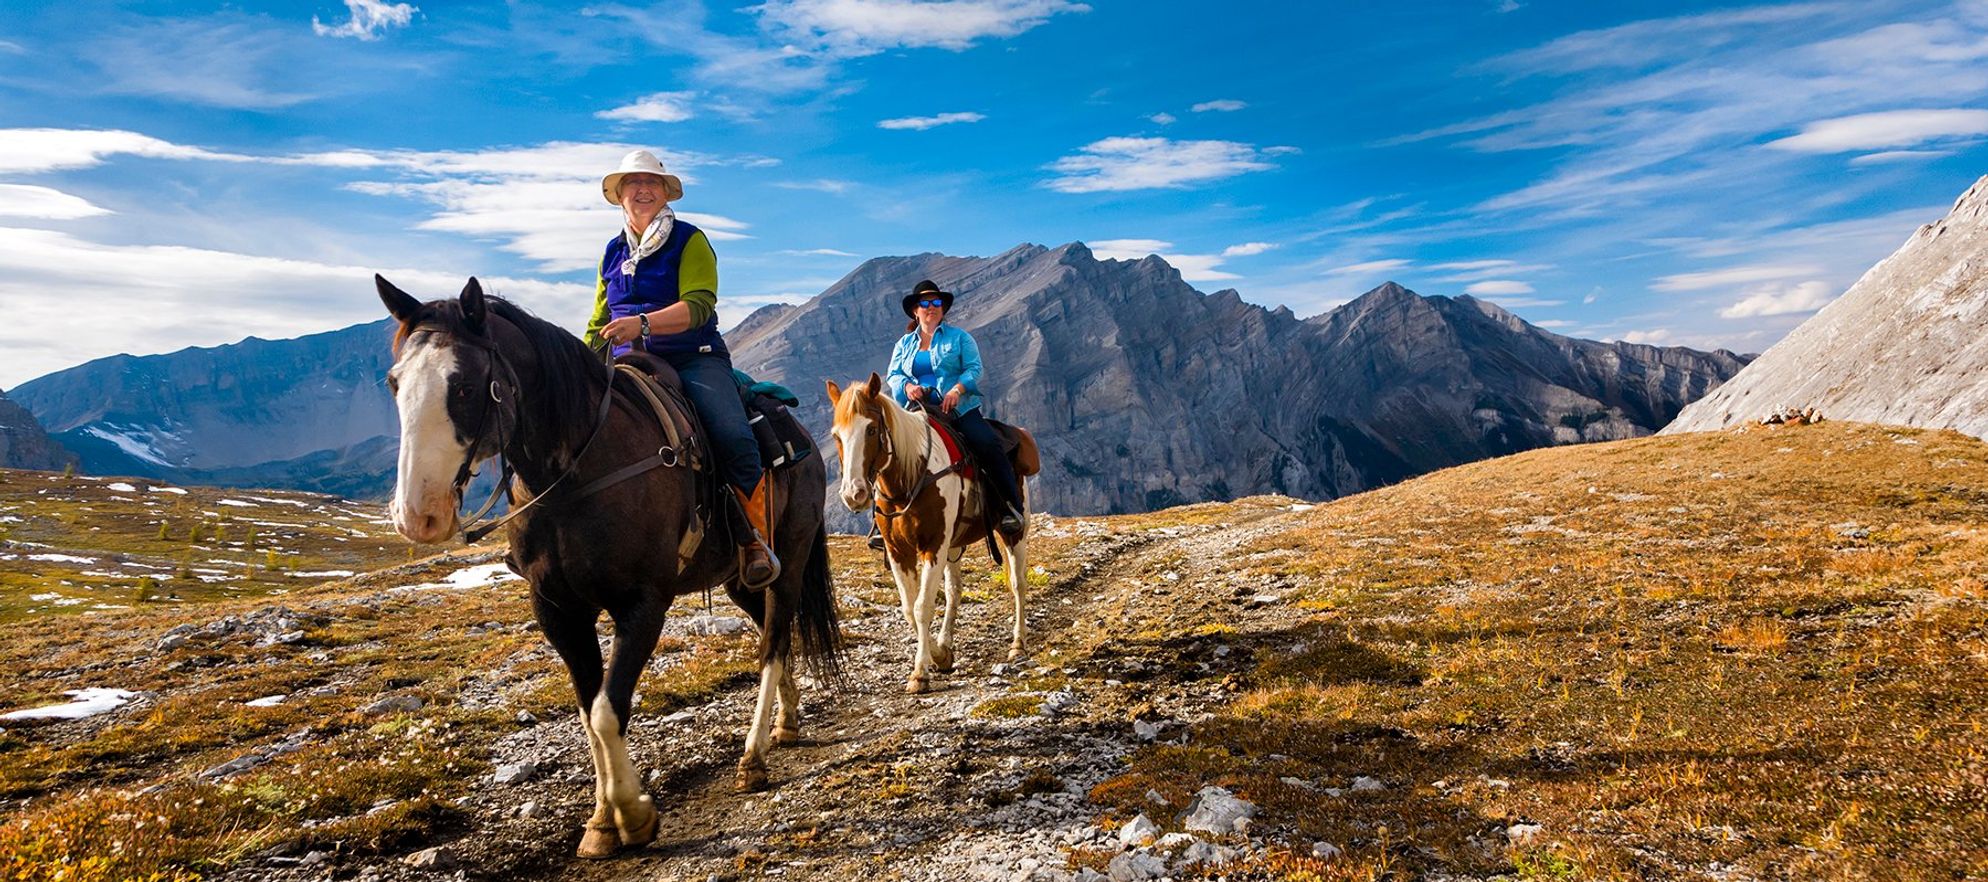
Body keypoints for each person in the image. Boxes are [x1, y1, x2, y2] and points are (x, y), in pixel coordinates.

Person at [583, 149, 778, 588]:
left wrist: (644, 323)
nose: (643, 190)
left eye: (652, 183)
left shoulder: (690, 240)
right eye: (633, 183)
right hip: (628, 361)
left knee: (732, 434)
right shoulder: (612, 253)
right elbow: (599, 321)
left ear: (665, 192)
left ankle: (754, 541)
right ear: (620, 196)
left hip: (693, 356)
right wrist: (577, 365)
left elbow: (698, 305)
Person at [885, 279, 1025, 539]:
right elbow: (893, 374)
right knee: (884, 450)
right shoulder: (904, 344)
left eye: (936, 302)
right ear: (915, 311)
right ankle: (882, 523)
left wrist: (957, 390)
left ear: (943, 308)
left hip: (957, 410)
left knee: (988, 444)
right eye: (925, 303)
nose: (931, 307)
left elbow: (975, 368)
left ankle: (1010, 507)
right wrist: (906, 388)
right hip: (917, 412)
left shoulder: (960, 338)